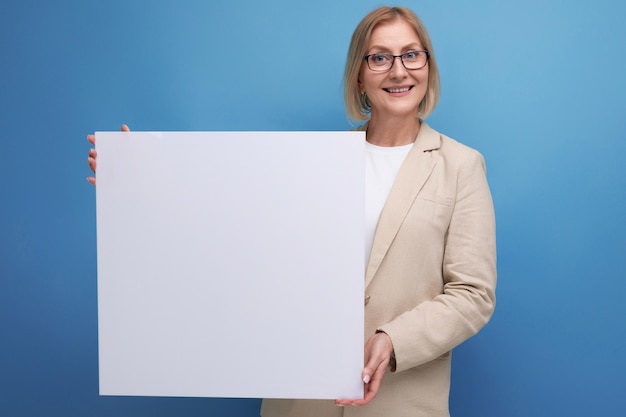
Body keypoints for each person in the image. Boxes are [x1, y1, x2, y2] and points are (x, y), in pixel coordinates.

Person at [88, 6, 496, 417]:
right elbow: (231, 238)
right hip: (300, 402)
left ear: (428, 64)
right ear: (359, 74)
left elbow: (473, 294)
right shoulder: (312, 163)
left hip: (401, 402)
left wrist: (393, 339)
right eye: (379, 57)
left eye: (411, 54)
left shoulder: (460, 166)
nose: (398, 70)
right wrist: (137, 188)